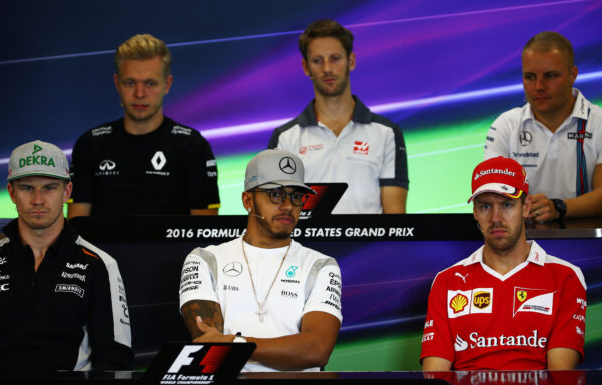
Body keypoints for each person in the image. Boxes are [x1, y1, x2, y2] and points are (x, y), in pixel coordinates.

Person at [179, 149, 342, 372]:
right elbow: (210, 345)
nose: (287, 205)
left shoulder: (321, 265)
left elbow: (317, 351)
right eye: (275, 193)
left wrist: (236, 343)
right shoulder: (204, 259)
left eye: (296, 196)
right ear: (248, 200)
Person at [0, 140, 133, 371]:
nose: (38, 200)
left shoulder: (100, 264)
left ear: (67, 192)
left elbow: (115, 356)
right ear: (12, 192)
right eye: (27, 188)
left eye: (49, 187)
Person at [420, 156, 586, 370]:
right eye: (486, 206)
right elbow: (435, 374)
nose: (496, 217)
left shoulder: (566, 277)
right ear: (475, 213)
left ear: (526, 207)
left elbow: (561, 376)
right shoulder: (447, 281)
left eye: (507, 204)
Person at [68, 33, 220, 217]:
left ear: (167, 84)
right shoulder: (89, 144)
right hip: (101, 247)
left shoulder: (193, 146)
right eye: (130, 82)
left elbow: (203, 233)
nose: (139, 93)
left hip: (176, 248)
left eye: (150, 83)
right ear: (117, 84)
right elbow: (78, 229)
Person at [268, 19, 408, 214]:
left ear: (351, 61)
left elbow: (395, 219)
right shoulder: (284, 138)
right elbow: (277, 213)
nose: (327, 68)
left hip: (370, 245)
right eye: (317, 60)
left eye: (335, 58)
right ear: (306, 67)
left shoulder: (387, 134)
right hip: (305, 245)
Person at [485, 31, 602, 222]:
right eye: (530, 77)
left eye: (550, 75)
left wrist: (558, 207)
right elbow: (492, 197)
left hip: (590, 244)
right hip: (519, 244)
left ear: (573, 75)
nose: (539, 86)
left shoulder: (599, 123)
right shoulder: (504, 126)